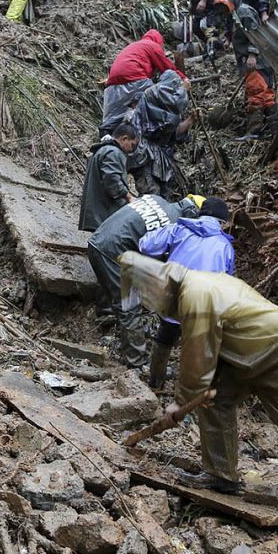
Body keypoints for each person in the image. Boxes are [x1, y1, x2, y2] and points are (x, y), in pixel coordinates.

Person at [119, 252, 278, 524]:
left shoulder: (197, 295)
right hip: (246, 353)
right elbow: (207, 353)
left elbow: (198, 355)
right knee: (214, 400)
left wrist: (180, 402)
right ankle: (220, 474)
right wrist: (191, 397)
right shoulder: (197, 285)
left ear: (158, 286)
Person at [87, 194, 203, 364]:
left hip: (98, 241)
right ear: (192, 214)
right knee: (130, 305)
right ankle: (137, 362)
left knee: (113, 283)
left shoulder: (156, 199)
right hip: (113, 252)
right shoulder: (172, 226)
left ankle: (106, 317)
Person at [136, 196, 233, 388]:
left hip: (173, 298)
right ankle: (192, 392)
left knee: (165, 338)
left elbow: (146, 245)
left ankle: (156, 382)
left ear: (200, 214)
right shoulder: (225, 247)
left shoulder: (179, 229)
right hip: (203, 304)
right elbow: (228, 281)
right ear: (222, 222)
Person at [102, 30, 184, 135]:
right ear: (159, 41)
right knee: (154, 100)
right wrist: (183, 79)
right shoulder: (152, 45)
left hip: (112, 84)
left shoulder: (134, 46)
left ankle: (105, 136)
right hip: (136, 79)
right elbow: (168, 69)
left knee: (111, 119)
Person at [133, 69, 194, 198]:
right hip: (145, 153)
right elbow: (176, 103)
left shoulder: (165, 107)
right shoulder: (153, 92)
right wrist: (183, 89)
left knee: (164, 196)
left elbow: (174, 133)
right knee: (151, 195)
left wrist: (191, 120)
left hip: (161, 156)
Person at [79, 122, 140, 232]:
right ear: (124, 138)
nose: (132, 150)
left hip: (99, 209)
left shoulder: (103, 149)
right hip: (105, 211)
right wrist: (129, 197)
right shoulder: (114, 152)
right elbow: (112, 180)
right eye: (132, 145)